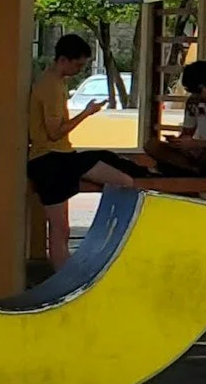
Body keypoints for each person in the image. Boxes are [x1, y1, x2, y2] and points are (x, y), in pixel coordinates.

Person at [25, 34, 149, 270]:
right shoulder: (50, 86)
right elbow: (54, 132)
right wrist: (86, 113)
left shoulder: (55, 82)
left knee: (108, 164)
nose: (79, 70)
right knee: (60, 227)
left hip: (59, 158)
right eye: (78, 65)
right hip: (50, 160)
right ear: (63, 59)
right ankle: (63, 275)